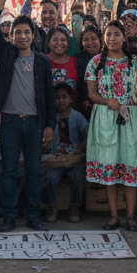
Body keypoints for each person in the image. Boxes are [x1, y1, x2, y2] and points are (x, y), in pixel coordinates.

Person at [0, 0, 57, 232]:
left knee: (34, 171)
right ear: (11, 36)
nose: (23, 36)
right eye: (18, 32)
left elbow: (49, 95)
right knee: (7, 171)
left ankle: (32, 216)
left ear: (33, 35)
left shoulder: (42, 62)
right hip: (10, 123)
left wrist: (50, 123)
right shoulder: (5, 53)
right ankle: (8, 216)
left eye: (27, 32)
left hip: (35, 124)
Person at [85, 19, 137, 230]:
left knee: (129, 164)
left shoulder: (136, 62)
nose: (112, 39)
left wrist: (130, 108)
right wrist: (108, 102)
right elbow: (92, 94)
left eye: (116, 34)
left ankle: (130, 216)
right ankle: (113, 216)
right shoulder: (95, 62)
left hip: (130, 120)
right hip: (105, 118)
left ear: (124, 37)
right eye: (108, 35)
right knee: (109, 167)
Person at [44, 83, 88, 223]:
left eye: (64, 97)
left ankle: (74, 207)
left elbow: (88, 135)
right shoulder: (51, 118)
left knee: (77, 175)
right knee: (49, 177)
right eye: (57, 98)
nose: (61, 101)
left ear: (71, 99)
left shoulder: (77, 116)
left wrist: (83, 147)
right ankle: (52, 207)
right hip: (56, 159)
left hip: (74, 158)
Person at [46, 25, 78, 92]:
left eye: (63, 40)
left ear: (68, 43)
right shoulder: (42, 61)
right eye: (55, 40)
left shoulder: (76, 62)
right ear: (48, 43)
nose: (59, 43)